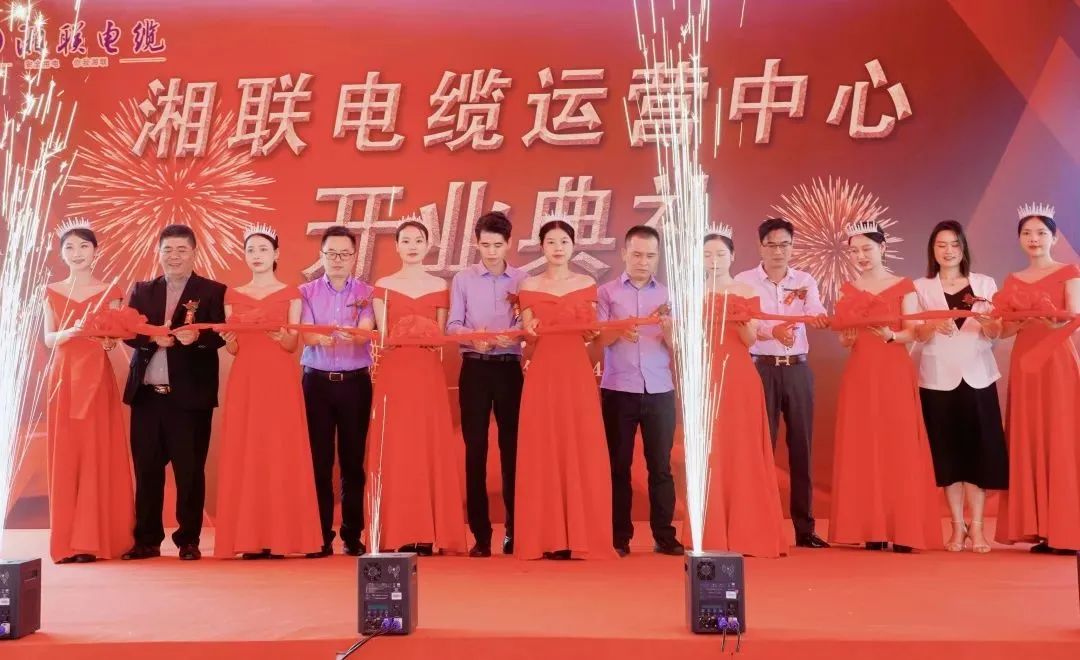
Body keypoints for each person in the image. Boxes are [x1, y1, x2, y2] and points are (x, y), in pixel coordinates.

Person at [829, 221, 942, 552]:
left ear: (882, 248)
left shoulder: (903, 286)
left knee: (898, 444)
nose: (861, 256)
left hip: (893, 369)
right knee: (864, 445)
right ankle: (872, 528)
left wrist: (893, 335)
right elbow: (844, 338)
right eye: (855, 251)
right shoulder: (847, 289)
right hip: (860, 372)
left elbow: (913, 330)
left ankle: (904, 528)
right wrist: (847, 338)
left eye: (867, 248)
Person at [214, 225, 323, 559]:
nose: (256, 255)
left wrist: (281, 337)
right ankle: (250, 536)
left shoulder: (291, 294)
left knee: (279, 449)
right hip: (246, 380)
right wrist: (230, 340)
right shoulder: (233, 295)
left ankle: (282, 536)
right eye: (251, 250)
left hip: (279, 380)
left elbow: (292, 344)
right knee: (248, 449)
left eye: (263, 249)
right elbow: (233, 348)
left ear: (276, 254)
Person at [122, 224, 226, 561]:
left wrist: (198, 339)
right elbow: (127, 331)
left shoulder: (212, 291)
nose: (174, 256)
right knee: (147, 470)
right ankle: (147, 539)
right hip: (147, 396)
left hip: (190, 398)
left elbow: (221, 334)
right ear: (158, 253)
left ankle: (188, 539)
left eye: (182, 249)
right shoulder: (142, 290)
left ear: (194, 253)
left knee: (190, 472)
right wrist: (152, 338)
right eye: (168, 249)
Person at [514, 218, 614, 560]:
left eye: (564, 242)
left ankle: (581, 535)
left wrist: (592, 332)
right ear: (542, 247)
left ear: (573, 246)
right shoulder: (528, 285)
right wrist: (531, 331)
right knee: (544, 446)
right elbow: (528, 337)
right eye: (551, 242)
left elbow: (592, 334)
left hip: (576, 371)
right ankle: (548, 536)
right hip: (543, 371)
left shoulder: (586, 284)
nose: (558, 248)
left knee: (579, 443)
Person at [367, 219, 466, 555]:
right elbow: (384, 337)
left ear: (428, 246)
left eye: (418, 240)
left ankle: (427, 531)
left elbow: (439, 339)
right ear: (396, 246)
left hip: (427, 373)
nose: (412, 246)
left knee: (427, 446)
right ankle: (394, 531)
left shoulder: (439, 286)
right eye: (406, 240)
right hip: (394, 373)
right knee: (396, 448)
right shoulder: (383, 285)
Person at [734, 218, 830, 548]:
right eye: (772, 245)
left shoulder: (804, 280)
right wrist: (771, 330)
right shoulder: (744, 282)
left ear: (792, 246)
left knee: (802, 448)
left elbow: (815, 308)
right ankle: (761, 525)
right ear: (760, 247)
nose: (778, 251)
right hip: (761, 370)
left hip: (797, 370)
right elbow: (745, 321)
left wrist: (819, 316)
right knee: (762, 449)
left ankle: (805, 528)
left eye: (784, 245)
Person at [42, 220, 134, 563]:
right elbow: (48, 338)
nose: (76, 253)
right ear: (61, 253)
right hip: (64, 377)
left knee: (96, 451)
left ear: (95, 251)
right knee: (67, 453)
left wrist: (108, 340)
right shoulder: (50, 291)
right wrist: (71, 332)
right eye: (69, 247)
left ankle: (94, 540)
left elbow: (114, 338)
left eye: (83, 246)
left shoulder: (111, 291)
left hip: (96, 375)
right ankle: (68, 541)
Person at [913, 220, 1007, 553]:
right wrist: (932, 325)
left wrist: (989, 323)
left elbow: (997, 332)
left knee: (978, 454)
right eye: (941, 245)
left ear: (963, 248)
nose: (948, 251)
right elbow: (915, 333)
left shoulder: (985, 284)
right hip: (937, 379)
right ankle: (956, 526)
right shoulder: (920, 288)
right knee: (947, 455)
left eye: (954, 244)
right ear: (932, 250)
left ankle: (978, 528)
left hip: (978, 377)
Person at [698, 227, 788, 557]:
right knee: (711, 453)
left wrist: (740, 324)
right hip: (705, 377)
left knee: (742, 450)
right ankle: (712, 532)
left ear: (733, 256)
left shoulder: (745, 290)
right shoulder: (693, 292)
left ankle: (748, 530)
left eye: (720, 254)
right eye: (707, 254)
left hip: (738, 375)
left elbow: (750, 340)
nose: (714, 260)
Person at [995, 205, 1080, 555]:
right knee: (1030, 435)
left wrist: (1052, 320)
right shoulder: (1013, 280)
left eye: (1041, 233)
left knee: (1060, 435)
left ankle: (1066, 529)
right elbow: (1004, 330)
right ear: (1019, 239)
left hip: (1056, 359)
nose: (1034, 239)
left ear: (1054, 238)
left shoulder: (1069, 272)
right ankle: (1041, 529)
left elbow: (1075, 318)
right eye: (1027, 233)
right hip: (1025, 364)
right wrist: (1010, 321)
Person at [597, 225, 683, 557]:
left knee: (660, 467)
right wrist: (619, 330)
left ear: (658, 257)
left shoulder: (669, 296)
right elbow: (598, 339)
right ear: (623, 254)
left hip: (660, 389)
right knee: (617, 467)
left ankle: (664, 535)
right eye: (636, 254)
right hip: (619, 388)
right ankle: (619, 536)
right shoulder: (606, 293)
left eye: (650, 255)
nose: (643, 261)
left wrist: (670, 333)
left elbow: (679, 346)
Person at [447, 211, 526, 557]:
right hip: (475, 368)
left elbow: (529, 323)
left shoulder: (523, 280)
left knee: (513, 451)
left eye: (497, 245)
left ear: (508, 244)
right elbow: (452, 325)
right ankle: (480, 534)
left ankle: (515, 531)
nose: (491, 251)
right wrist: (472, 337)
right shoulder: (463, 279)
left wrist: (515, 334)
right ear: (476, 244)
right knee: (475, 451)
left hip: (509, 369)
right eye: (485, 245)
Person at [300, 225, 376, 557]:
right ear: (321, 255)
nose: (338, 259)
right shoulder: (306, 292)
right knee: (318, 461)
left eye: (344, 253)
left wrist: (355, 334)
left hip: (355, 383)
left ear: (354, 256)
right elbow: (306, 333)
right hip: (316, 382)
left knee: (352, 462)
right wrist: (324, 337)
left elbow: (366, 330)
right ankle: (319, 534)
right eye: (331, 253)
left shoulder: (367, 293)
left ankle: (352, 534)